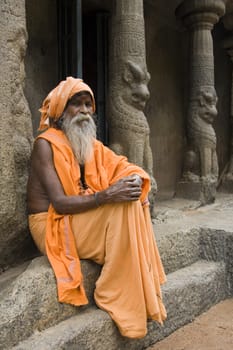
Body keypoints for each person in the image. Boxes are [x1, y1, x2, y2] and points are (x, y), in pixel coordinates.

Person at [27, 76, 167, 339]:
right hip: (51, 225)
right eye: (76, 104)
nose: (84, 111)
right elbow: (60, 203)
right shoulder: (45, 145)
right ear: (59, 111)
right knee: (121, 204)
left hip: (77, 218)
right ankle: (112, 292)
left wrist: (136, 179)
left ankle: (133, 293)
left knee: (132, 198)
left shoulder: (89, 144)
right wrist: (106, 195)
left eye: (88, 105)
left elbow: (122, 166)